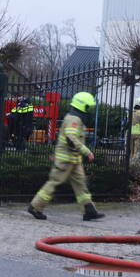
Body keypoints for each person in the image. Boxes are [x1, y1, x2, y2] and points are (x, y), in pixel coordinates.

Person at [28, 91, 104, 221]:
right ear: (83, 106)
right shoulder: (74, 119)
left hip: (74, 160)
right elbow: (71, 137)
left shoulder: (76, 118)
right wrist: (87, 151)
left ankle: (88, 210)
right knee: (54, 182)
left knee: (81, 184)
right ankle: (36, 206)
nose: (89, 110)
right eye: (88, 107)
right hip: (65, 160)